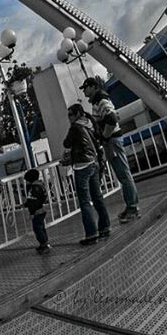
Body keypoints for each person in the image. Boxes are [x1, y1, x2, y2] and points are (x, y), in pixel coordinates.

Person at [81, 76, 140, 222]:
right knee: (122, 175)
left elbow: (112, 119)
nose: (84, 91)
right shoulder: (100, 100)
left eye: (86, 87)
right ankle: (130, 205)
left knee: (124, 175)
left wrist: (105, 137)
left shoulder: (100, 100)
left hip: (112, 141)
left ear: (94, 87)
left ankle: (133, 208)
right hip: (112, 141)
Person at [63, 103, 111, 245]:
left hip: (82, 166)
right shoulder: (90, 123)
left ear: (77, 114)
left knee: (85, 201)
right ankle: (105, 227)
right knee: (97, 197)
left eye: (70, 114)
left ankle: (91, 234)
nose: (69, 117)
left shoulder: (76, 127)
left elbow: (66, 143)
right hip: (94, 163)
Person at [22, 168, 49, 253]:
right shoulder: (40, 185)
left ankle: (44, 245)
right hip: (41, 209)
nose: (26, 183)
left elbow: (33, 201)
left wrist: (32, 213)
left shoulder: (34, 189)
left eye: (27, 181)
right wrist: (26, 204)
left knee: (37, 229)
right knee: (41, 228)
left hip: (37, 211)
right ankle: (44, 243)